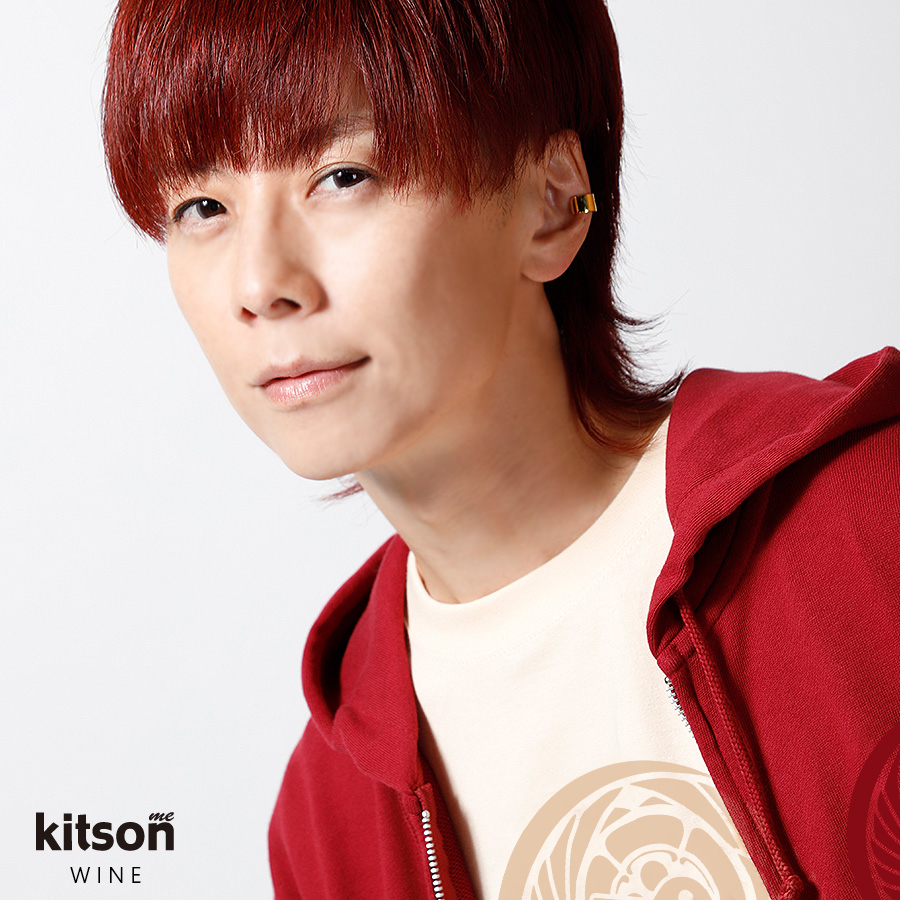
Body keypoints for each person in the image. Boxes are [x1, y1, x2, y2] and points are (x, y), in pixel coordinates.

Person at [101, 1, 900, 898]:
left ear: (551, 204)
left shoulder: (867, 529)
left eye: (343, 176)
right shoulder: (328, 818)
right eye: (202, 206)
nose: (259, 284)